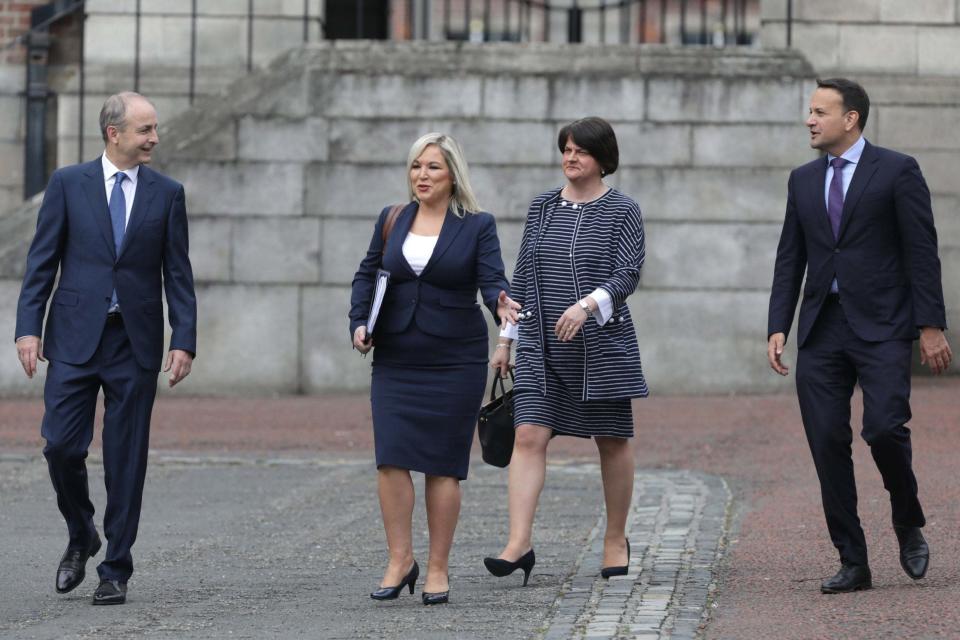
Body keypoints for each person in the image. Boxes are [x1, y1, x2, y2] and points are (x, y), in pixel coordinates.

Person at [767, 78, 952, 594]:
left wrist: (930, 325)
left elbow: (921, 250)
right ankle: (853, 560)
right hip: (823, 328)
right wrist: (778, 324)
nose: (810, 119)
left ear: (851, 118)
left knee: (885, 428)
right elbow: (791, 257)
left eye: (819, 111)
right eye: (809, 110)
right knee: (827, 441)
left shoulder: (897, 170)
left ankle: (906, 515)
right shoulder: (802, 180)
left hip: (884, 325)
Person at [14, 92, 197, 605]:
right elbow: (41, 262)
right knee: (60, 445)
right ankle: (82, 532)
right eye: (144, 130)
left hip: (133, 341)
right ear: (113, 133)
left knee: (126, 457)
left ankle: (116, 565)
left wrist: (184, 338)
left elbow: (178, 274)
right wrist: (28, 328)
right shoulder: (69, 184)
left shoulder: (167, 193)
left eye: (155, 129)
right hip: (73, 337)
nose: (154, 139)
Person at [349, 133, 519, 605]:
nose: (422, 176)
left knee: (444, 467)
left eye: (433, 168)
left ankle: (438, 568)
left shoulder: (476, 225)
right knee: (391, 459)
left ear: (452, 175)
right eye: (416, 167)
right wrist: (358, 323)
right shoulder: (392, 219)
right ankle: (400, 559)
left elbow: (492, 280)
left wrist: (500, 304)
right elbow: (367, 274)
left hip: (454, 360)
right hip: (396, 358)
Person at [485, 117, 648, 585]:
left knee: (612, 440)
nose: (570, 157)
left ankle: (615, 538)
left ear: (602, 159)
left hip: (602, 346)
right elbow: (524, 276)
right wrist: (505, 340)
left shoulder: (623, 210)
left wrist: (586, 304)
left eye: (581, 150)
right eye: (566, 149)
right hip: (540, 344)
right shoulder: (542, 207)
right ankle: (518, 543)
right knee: (529, 436)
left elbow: (628, 273)